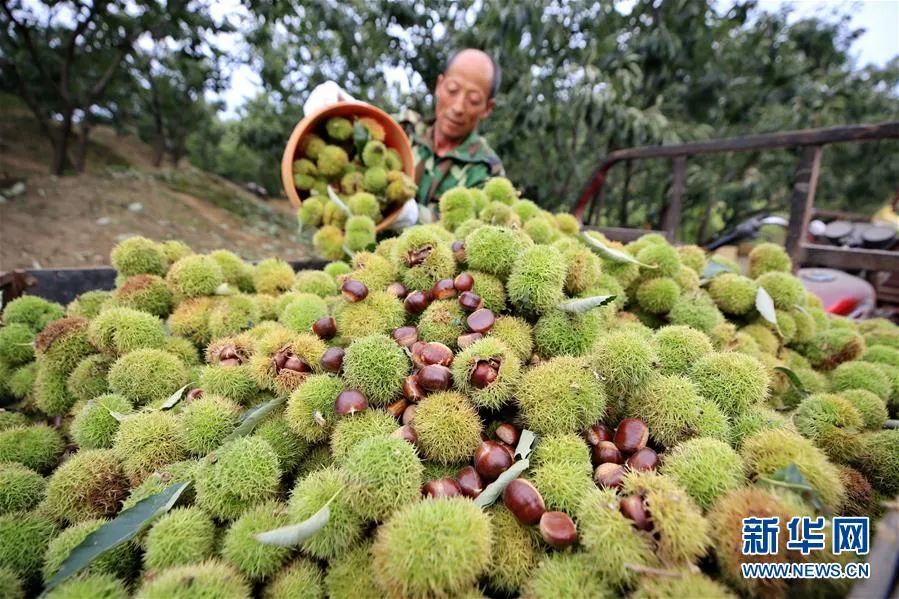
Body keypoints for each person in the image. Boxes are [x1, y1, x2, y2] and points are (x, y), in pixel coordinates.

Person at [303, 48, 504, 226]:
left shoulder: (488, 171)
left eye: (474, 100)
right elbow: (352, 150)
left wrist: (412, 216)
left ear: (487, 108)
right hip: (362, 260)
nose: (458, 107)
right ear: (439, 85)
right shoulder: (403, 128)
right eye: (452, 90)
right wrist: (339, 112)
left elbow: (474, 233)